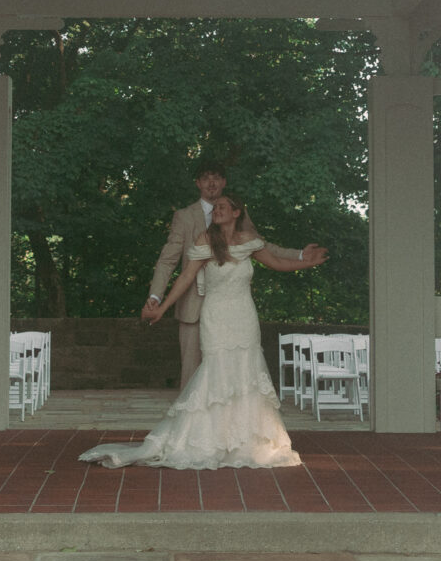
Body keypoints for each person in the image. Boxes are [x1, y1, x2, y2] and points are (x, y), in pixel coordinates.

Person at [85, 196, 326, 470]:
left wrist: (307, 263)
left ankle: (244, 442)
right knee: (217, 371)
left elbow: (277, 263)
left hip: (244, 316)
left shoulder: (249, 239)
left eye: (223, 207)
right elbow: (186, 277)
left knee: (246, 372)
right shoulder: (205, 240)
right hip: (216, 316)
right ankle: (205, 440)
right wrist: (162, 307)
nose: (217, 210)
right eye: (216, 208)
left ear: (236, 212)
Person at [144, 162, 230, 389]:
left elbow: (260, 246)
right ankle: (190, 422)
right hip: (193, 303)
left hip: (229, 303)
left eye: (216, 177)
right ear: (198, 183)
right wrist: (156, 296)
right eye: (206, 177)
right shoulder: (183, 217)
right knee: (191, 375)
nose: (211, 182)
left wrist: (299, 256)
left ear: (224, 182)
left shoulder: (238, 214)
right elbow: (168, 259)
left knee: (227, 369)